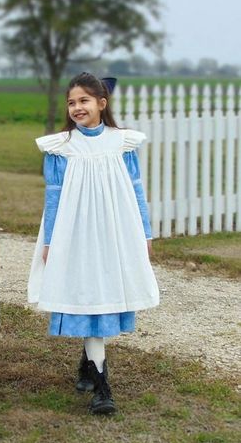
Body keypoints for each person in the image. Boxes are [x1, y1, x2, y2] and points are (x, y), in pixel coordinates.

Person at [28, 72, 159, 415]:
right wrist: (52, 240)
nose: (76, 107)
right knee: (86, 293)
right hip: (75, 231)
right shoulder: (62, 146)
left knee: (105, 290)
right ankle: (102, 386)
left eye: (84, 100)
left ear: (102, 103)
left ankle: (89, 363)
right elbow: (54, 195)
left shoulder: (121, 142)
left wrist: (144, 233)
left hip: (113, 230)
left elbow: (135, 188)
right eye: (71, 102)